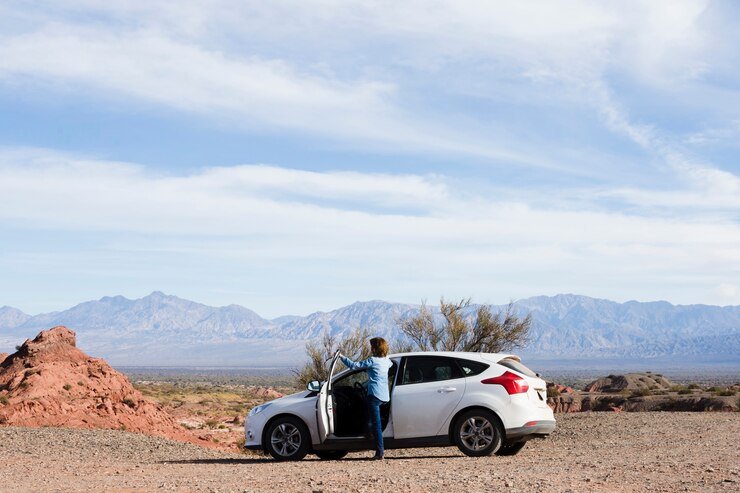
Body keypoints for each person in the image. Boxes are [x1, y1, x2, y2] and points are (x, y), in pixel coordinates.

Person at [339, 337, 392, 460]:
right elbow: (389, 363)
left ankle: (379, 452)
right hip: (385, 396)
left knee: (376, 424)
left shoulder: (372, 361)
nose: (371, 349)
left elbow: (354, 366)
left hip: (374, 395)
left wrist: (341, 357)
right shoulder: (387, 362)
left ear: (374, 349)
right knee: (370, 416)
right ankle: (368, 434)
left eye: (372, 347)